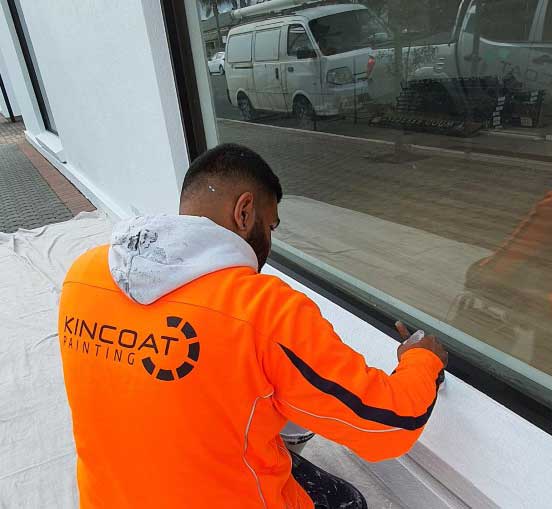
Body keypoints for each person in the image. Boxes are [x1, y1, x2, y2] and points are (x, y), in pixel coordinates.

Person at [58, 143, 448, 509]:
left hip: (107, 498)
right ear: (244, 213)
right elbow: (387, 425)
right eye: (271, 226)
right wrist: (421, 362)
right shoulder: (263, 310)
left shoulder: (84, 274)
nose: (270, 242)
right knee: (350, 501)